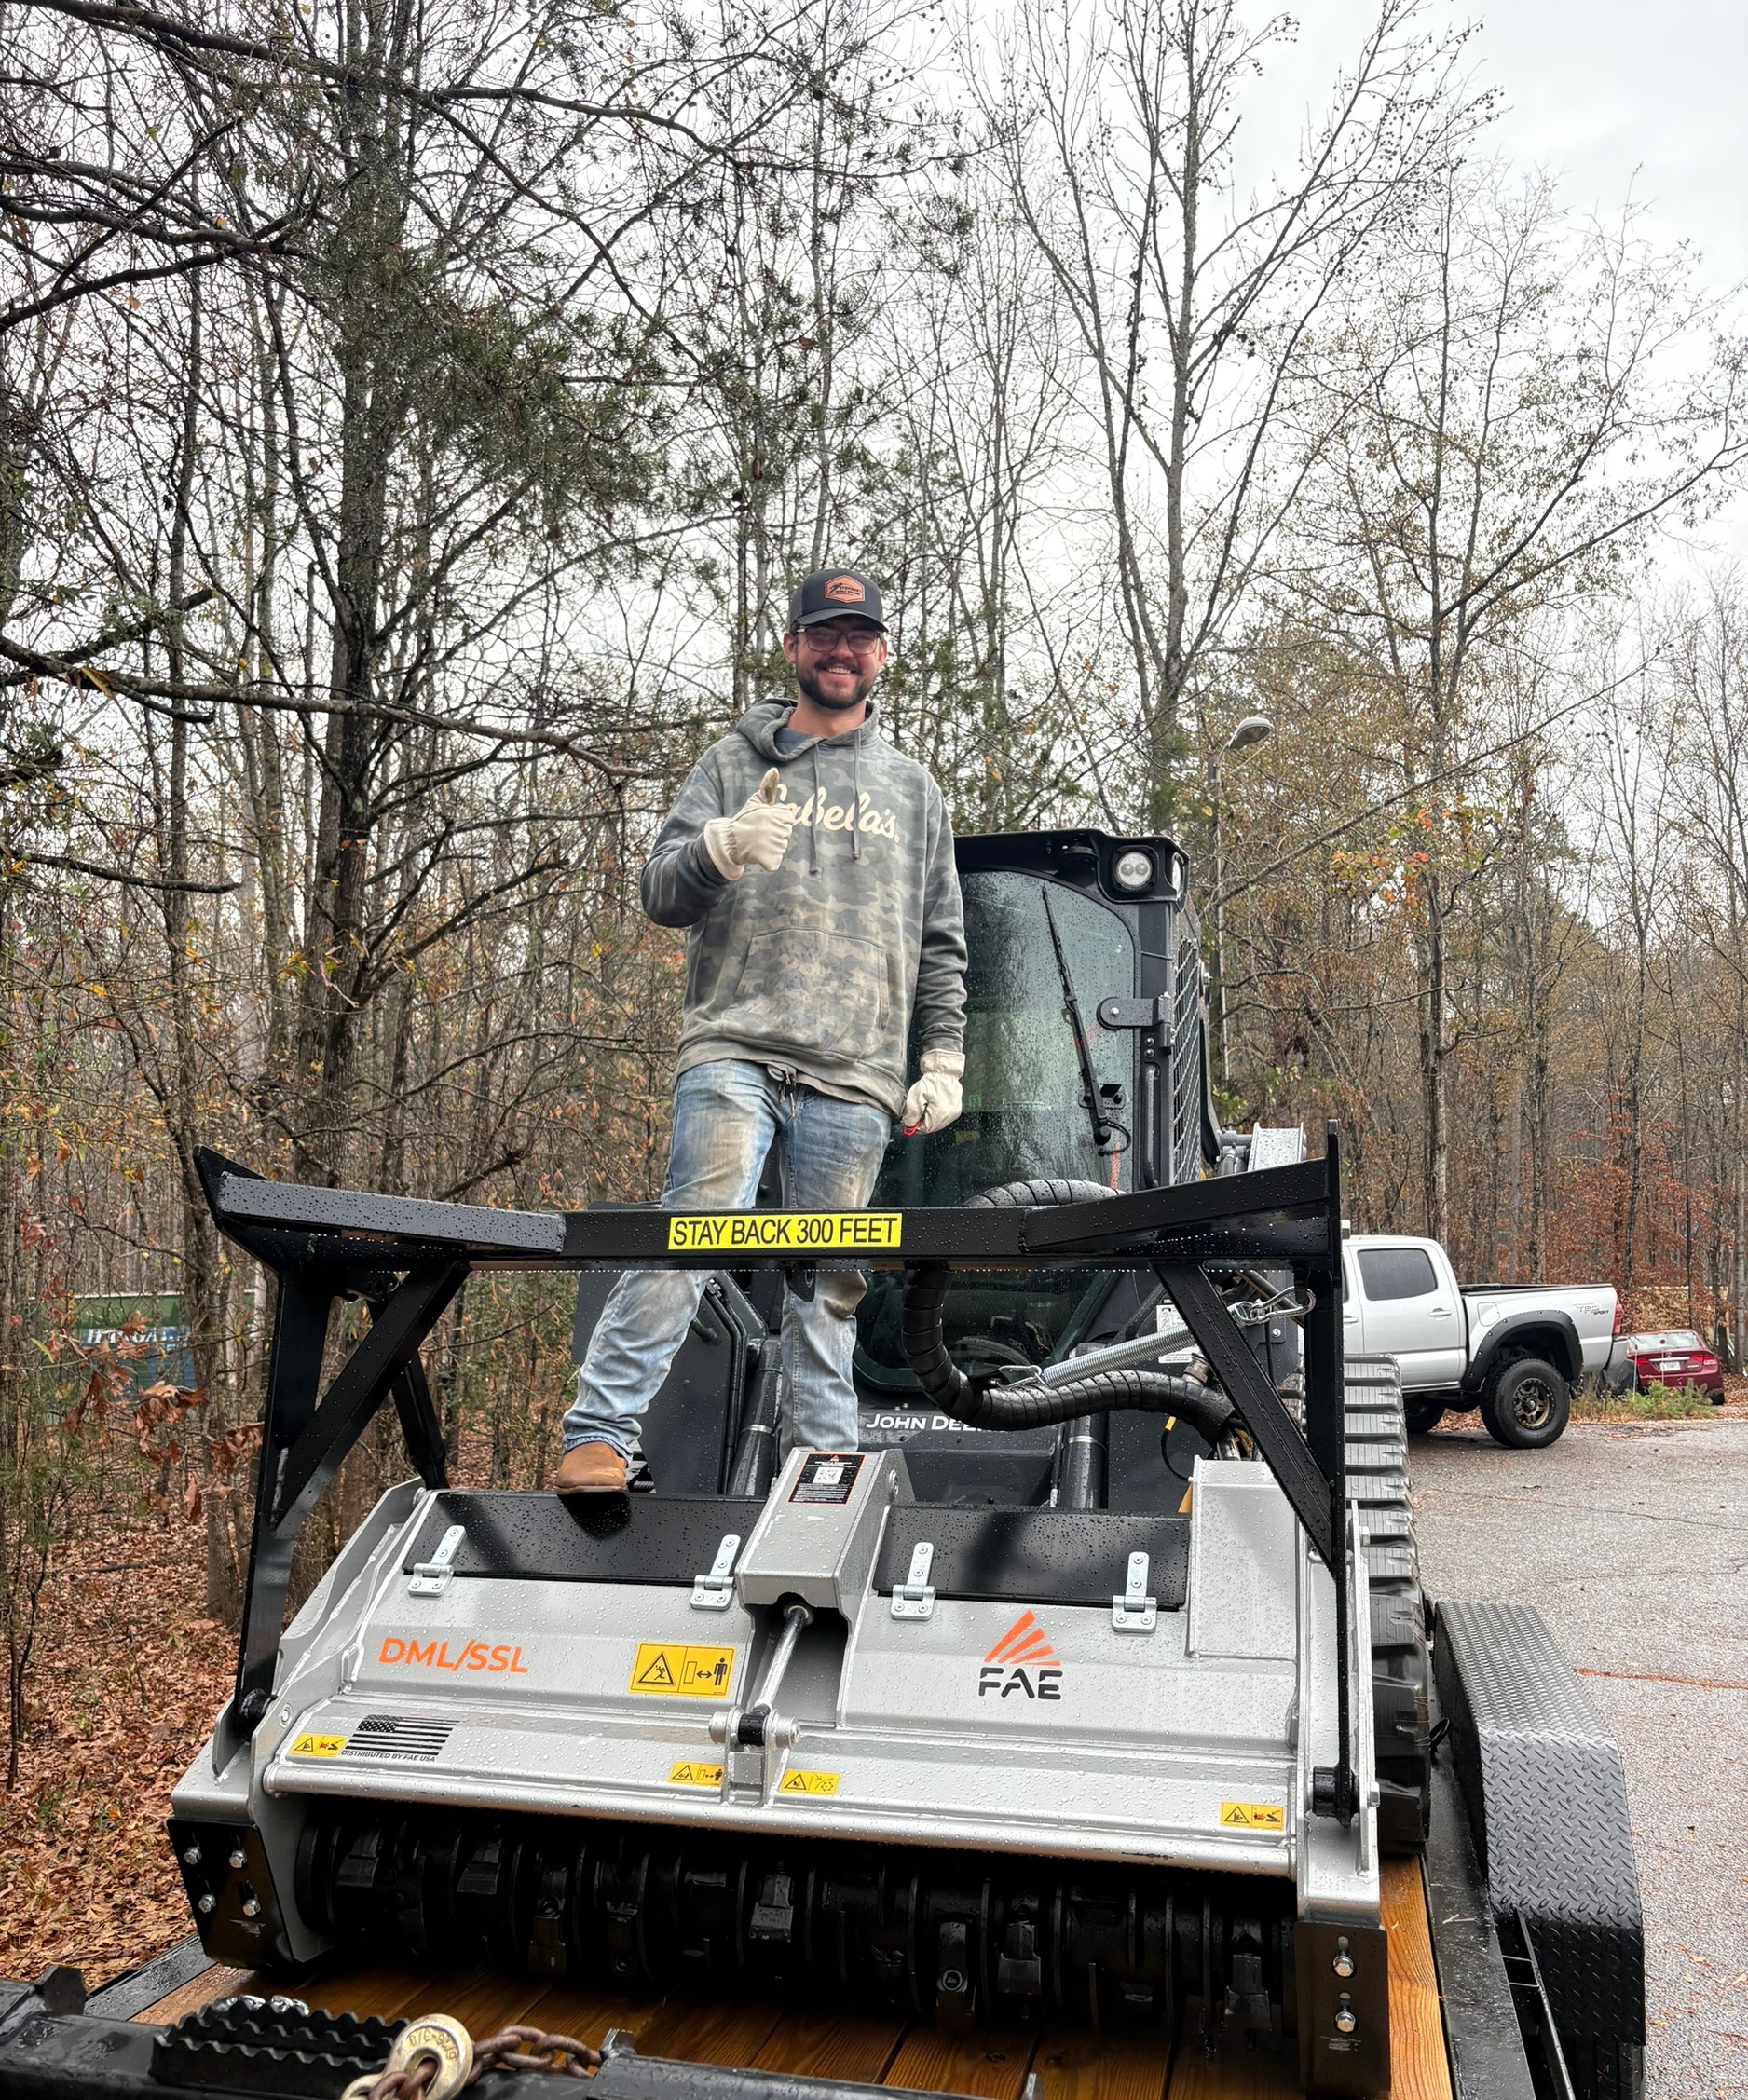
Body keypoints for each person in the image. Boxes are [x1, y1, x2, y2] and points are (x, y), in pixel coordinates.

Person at [556, 567, 968, 1493]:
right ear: (792, 649)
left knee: (829, 1279)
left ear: (881, 656)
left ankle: (822, 1465)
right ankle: (600, 1432)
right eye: (822, 634)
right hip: (734, 1045)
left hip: (856, 1069)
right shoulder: (730, 765)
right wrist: (717, 848)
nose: (840, 649)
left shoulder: (914, 791)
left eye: (858, 636)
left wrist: (940, 1061)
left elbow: (941, 941)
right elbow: (659, 892)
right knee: (696, 1229)